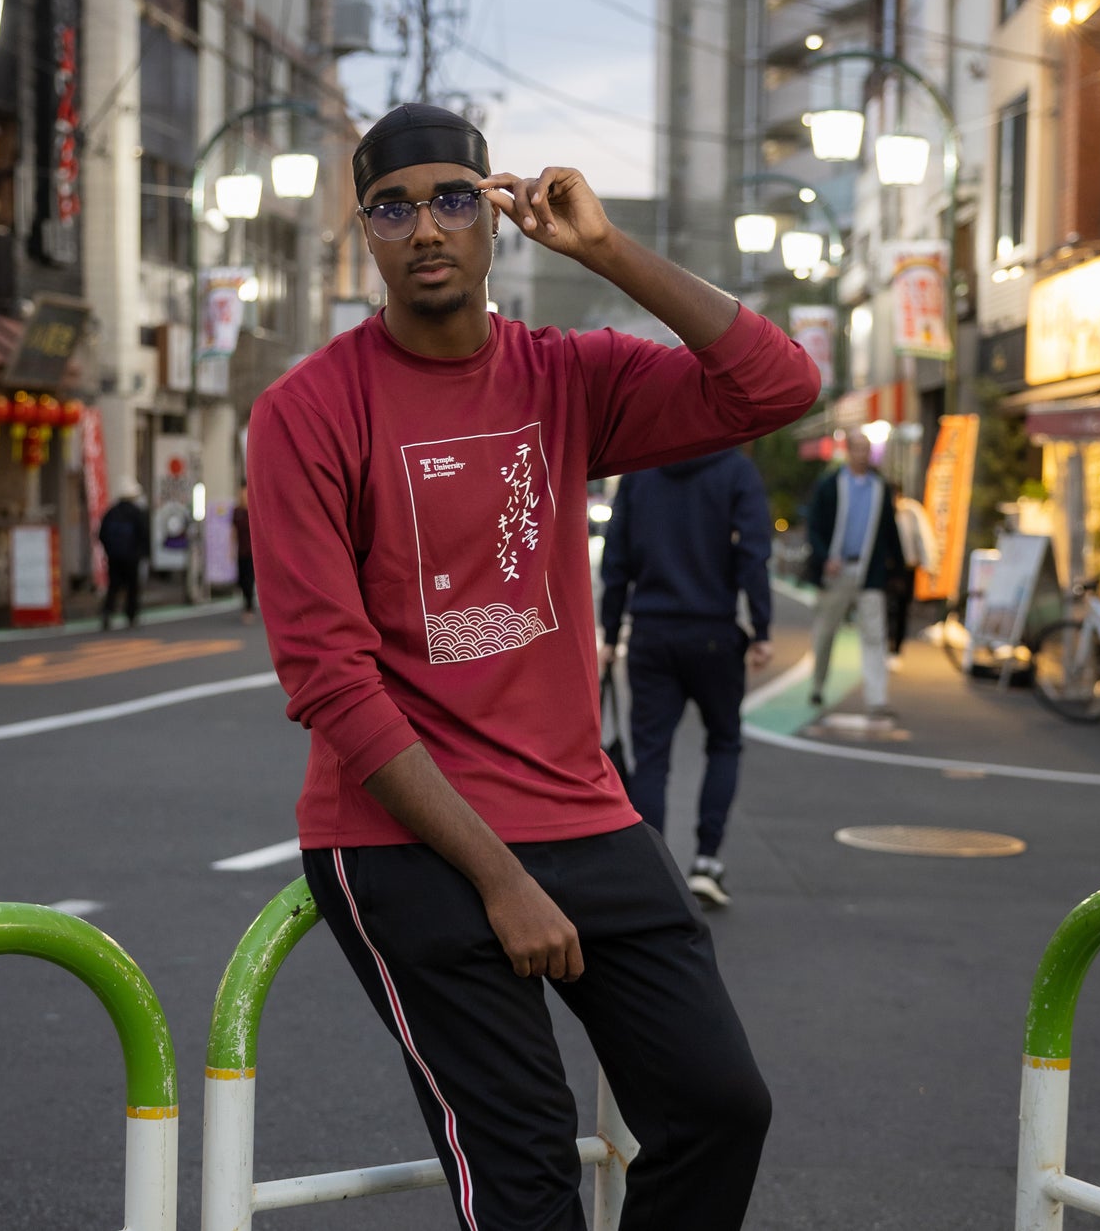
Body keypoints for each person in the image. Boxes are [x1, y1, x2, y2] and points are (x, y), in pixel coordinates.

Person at [248, 102, 819, 1231]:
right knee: (525, 1184)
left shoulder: (565, 376)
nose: (425, 226)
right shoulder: (307, 411)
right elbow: (326, 676)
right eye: (393, 205)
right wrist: (499, 875)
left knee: (720, 1106)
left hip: (581, 814)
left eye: (452, 198)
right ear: (364, 231)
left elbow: (776, 387)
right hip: (407, 839)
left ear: (495, 215)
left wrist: (603, 249)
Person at [597, 450, 773, 909]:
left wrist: (610, 631)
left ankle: (653, 872)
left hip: (652, 634)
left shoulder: (640, 470)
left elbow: (616, 555)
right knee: (724, 742)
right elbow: (753, 551)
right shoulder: (735, 470)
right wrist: (762, 627)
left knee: (651, 756)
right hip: (715, 631)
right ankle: (707, 863)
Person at [804, 431, 904, 719]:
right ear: (848, 451)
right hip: (837, 570)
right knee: (825, 632)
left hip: (869, 570)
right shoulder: (830, 485)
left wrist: (897, 568)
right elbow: (815, 526)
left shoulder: (880, 488)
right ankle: (818, 685)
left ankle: (877, 698)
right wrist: (825, 558)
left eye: (866, 449)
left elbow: (889, 529)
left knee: (874, 633)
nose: (862, 454)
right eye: (858, 448)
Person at [884, 482, 940, 671]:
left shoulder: (911, 511)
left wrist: (929, 563)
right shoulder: (881, 512)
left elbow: (922, 537)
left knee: (901, 609)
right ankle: (884, 646)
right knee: (883, 609)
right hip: (884, 569)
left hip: (906, 567)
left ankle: (896, 650)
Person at [98, 478, 149, 630]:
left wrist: (109, 551)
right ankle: (131, 616)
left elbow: (101, 534)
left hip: (114, 556)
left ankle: (107, 613)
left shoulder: (111, 512)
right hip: (132, 557)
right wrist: (143, 553)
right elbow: (144, 535)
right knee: (132, 587)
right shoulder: (136, 512)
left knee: (113, 586)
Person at [232, 484, 255, 622]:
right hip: (241, 551)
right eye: (241, 494)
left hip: (252, 552)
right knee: (241, 580)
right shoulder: (237, 512)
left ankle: (249, 607)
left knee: (249, 580)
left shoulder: (253, 510)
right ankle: (247, 604)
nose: (243, 496)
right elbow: (233, 531)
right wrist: (231, 549)